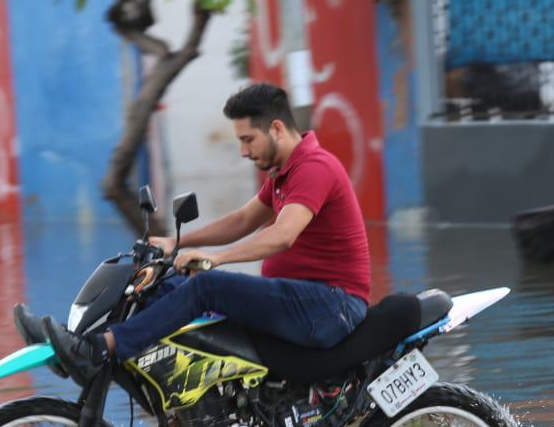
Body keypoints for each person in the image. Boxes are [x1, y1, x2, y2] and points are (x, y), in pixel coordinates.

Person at [38, 82, 371, 385]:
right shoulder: (284, 173)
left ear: (277, 129)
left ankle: (101, 348)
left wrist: (217, 259)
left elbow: (284, 234)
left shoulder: (314, 167)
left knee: (207, 286)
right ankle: (88, 354)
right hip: (305, 300)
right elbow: (243, 220)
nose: (242, 150)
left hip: (332, 307)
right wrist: (176, 243)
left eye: (247, 139)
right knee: (167, 286)